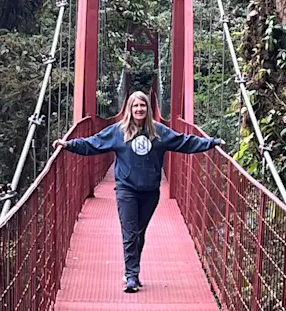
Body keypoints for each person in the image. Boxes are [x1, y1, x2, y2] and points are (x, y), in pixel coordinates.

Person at [54, 92, 223, 293]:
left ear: (148, 108)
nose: (139, 109)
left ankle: (132, 270)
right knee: (130, 233)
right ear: (129, 109)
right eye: (135, 106)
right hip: (126, 189)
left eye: (142, 105)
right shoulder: (118, 131)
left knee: (139, 234)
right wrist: (69, 145)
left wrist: (211, 143)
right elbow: (94, 143)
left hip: (150, 191)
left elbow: (184, 142)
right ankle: (132, 277)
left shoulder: (159, 132)